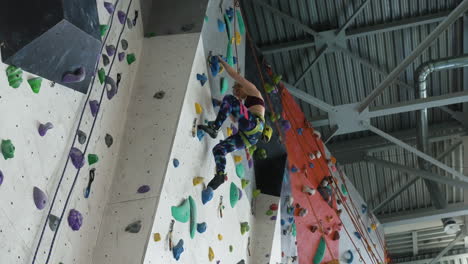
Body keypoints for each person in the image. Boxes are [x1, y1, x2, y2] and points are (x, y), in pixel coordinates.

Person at [198, 56, 272, 201]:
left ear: (242, 87)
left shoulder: (254, 92)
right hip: (247, 138)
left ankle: (214, 127)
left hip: (254, 126)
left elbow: (234, 75)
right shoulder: (247, 107)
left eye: (238, 90)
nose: (238, 95)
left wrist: (221, 61)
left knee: (230, 100)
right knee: (219, 149)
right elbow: (233, 118)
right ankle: (219, 175)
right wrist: (222, 105)